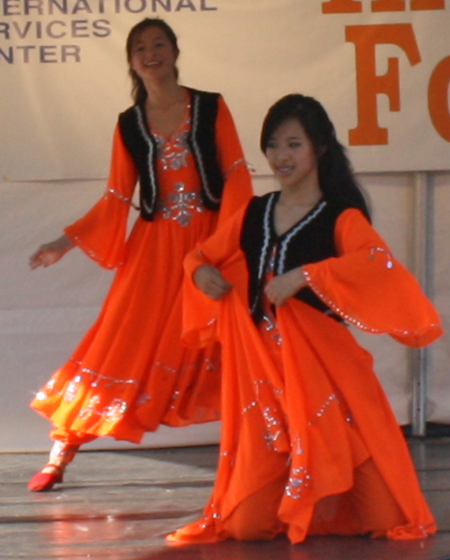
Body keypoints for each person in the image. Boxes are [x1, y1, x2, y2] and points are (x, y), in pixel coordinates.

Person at [166, 94, 443, 544]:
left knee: (383, 516)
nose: (282, 156)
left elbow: (376, 262)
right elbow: (200, 254)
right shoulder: (255, 212)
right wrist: (199, 272)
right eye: (273, 145)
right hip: (265, 371)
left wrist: (307, 275)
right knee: (246, 526)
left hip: (325, 372)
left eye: (294, 144)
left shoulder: (340, 215)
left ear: (319, 149)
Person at [27, 17, 252, 492]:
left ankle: (268, 457)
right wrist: (63, 244)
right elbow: (116, 197)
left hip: (210, 245)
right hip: (153, 252)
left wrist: (230, 246)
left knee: (236, 344)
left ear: (174, 50)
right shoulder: (128, 124)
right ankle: (62, 448)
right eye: (140, 48)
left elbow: (235, 176)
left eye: (159, 44)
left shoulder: (210, 107)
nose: (151, 54)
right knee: (119, 344)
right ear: (131, 61)